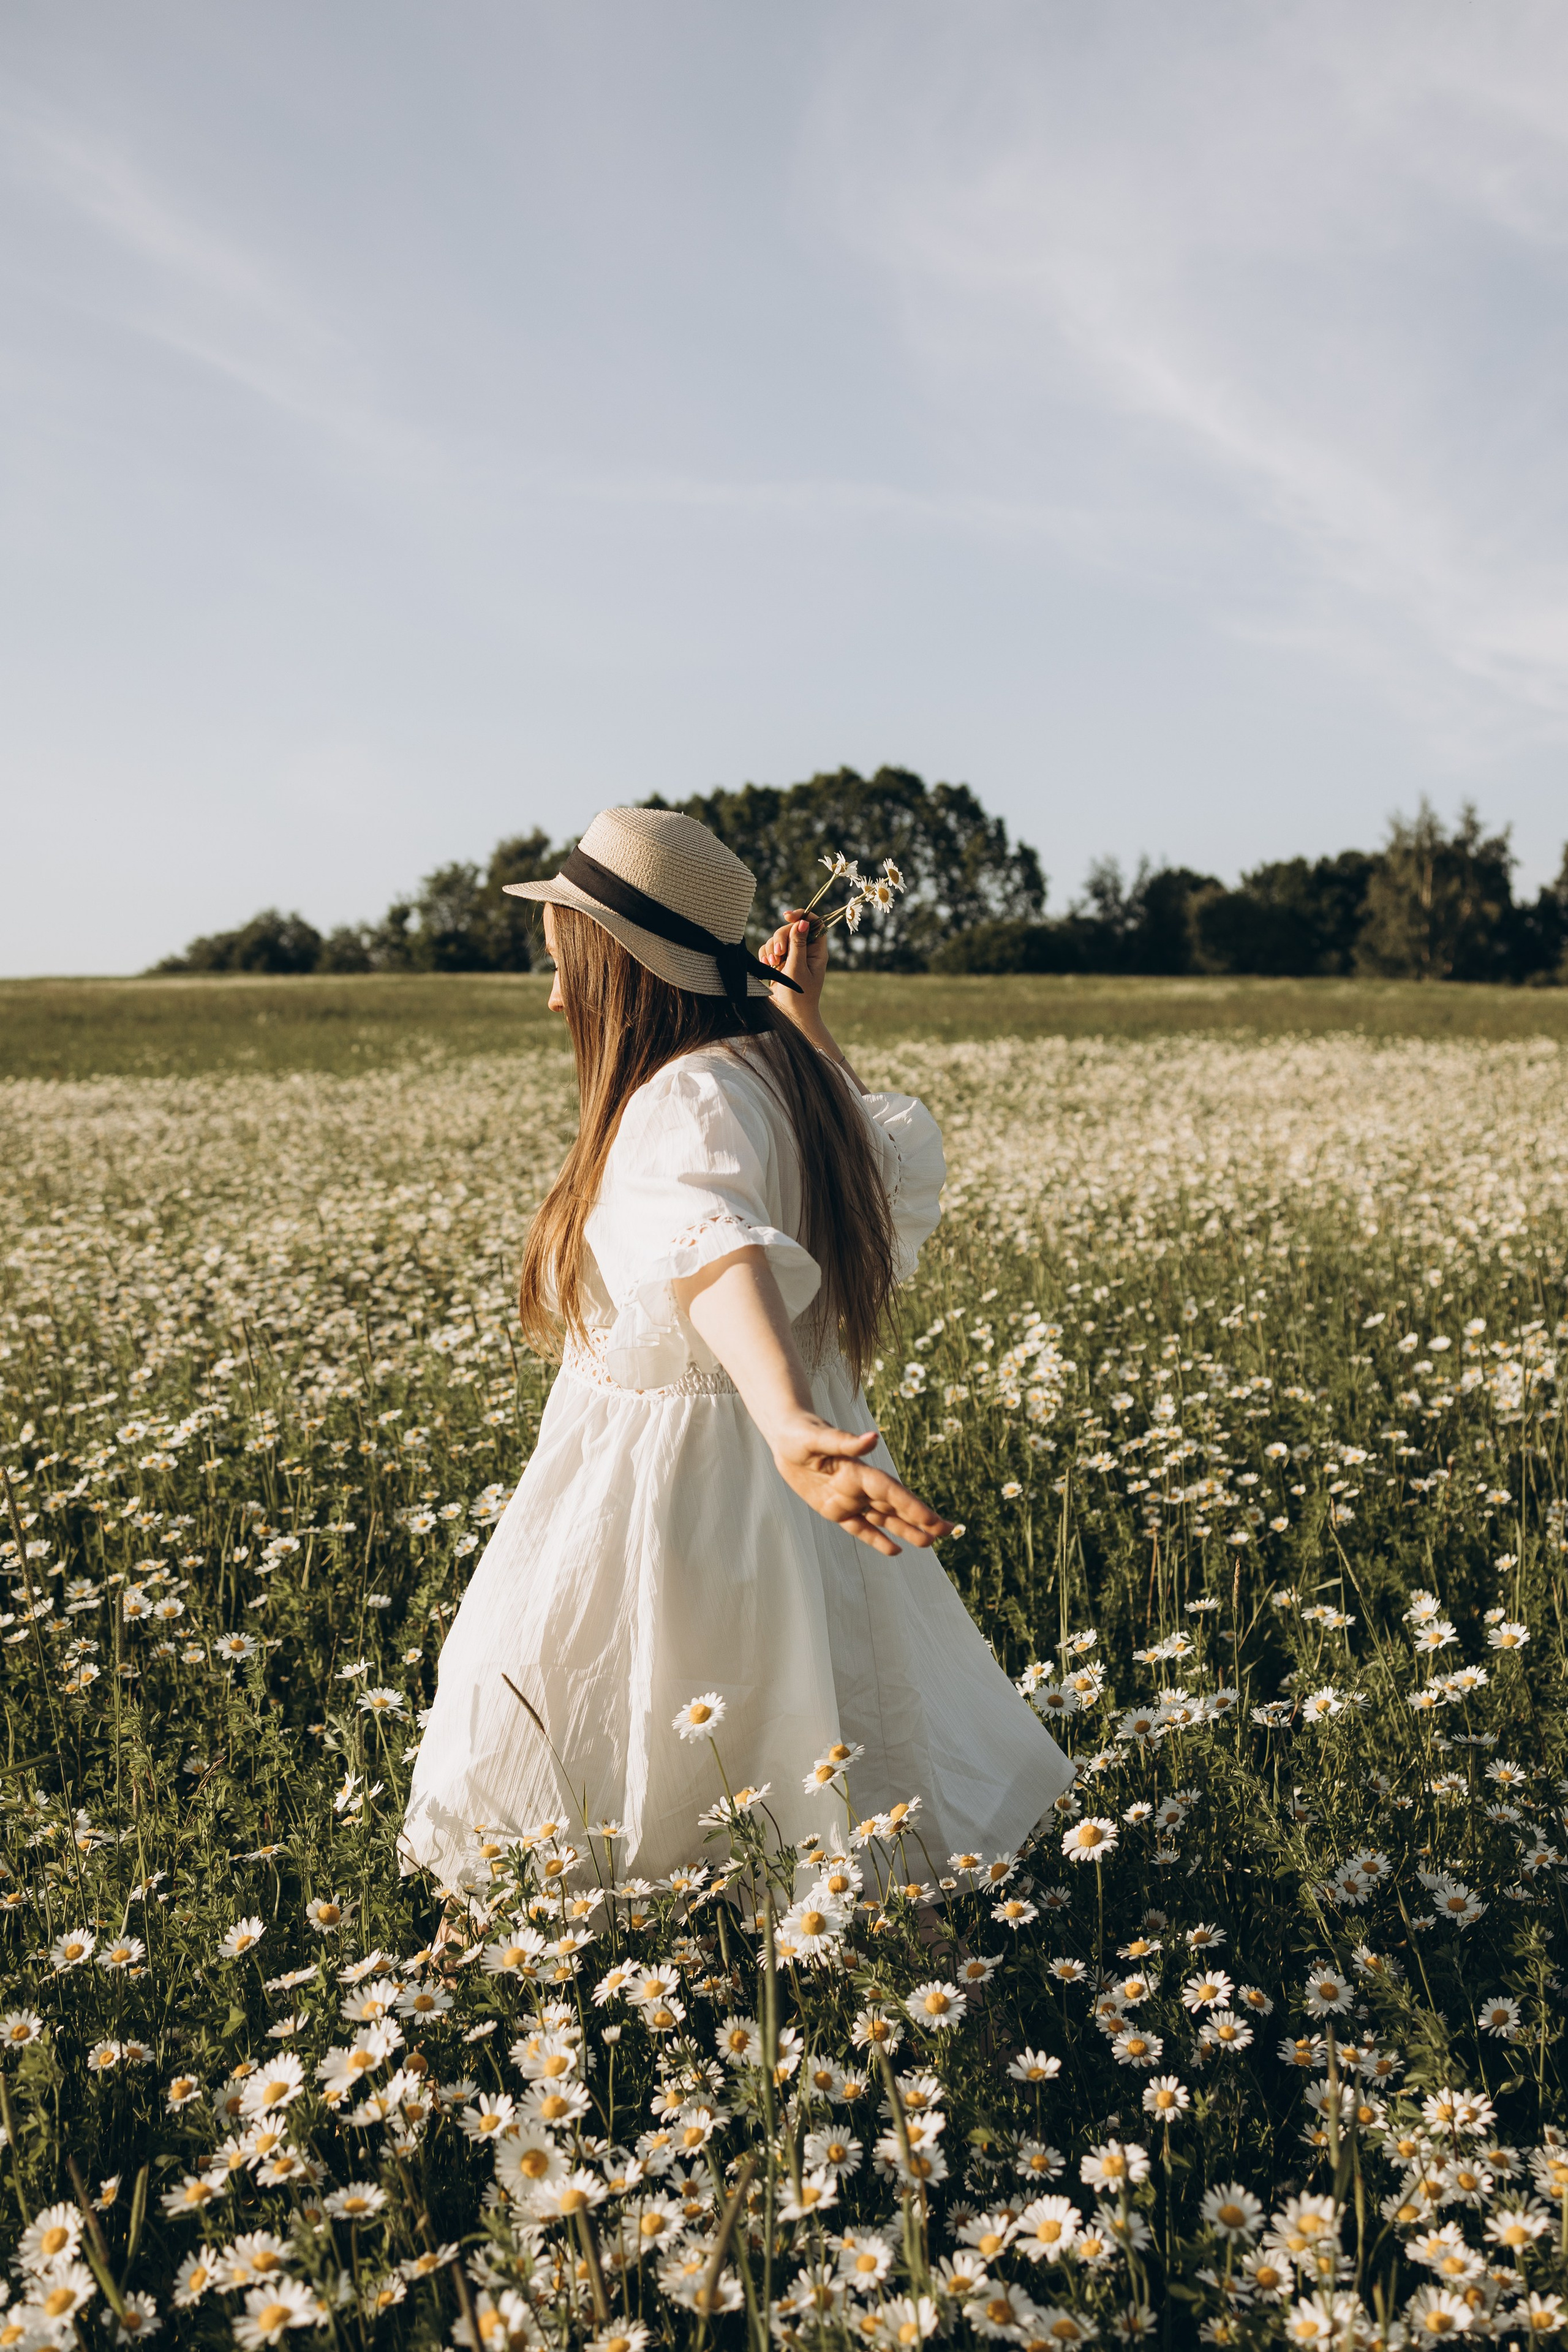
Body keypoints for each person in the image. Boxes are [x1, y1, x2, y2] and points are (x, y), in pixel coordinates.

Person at [399, 805, 1072, 1898]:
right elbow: (865, 1156)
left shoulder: (684, 1100)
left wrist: (787, 1417)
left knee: (579, 1745)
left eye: (568, 966)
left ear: (623, 969)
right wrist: (804, 1015)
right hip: (788, 1506)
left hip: (680, 1496)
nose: (557, 996)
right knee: (811, 1755)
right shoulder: (781, 1074)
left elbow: (713, 1250)